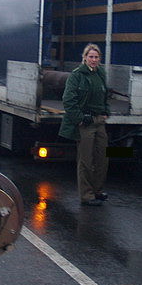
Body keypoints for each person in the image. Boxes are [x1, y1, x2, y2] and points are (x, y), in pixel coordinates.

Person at [59, 43, 110, 207]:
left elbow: (105, 95)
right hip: (86, 124)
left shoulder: (101, 74)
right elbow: (68, 99)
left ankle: (98, 190)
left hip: (99, 122)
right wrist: (80, 118)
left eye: (96, 57)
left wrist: (106, 111)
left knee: (103, 157)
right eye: (91, 57)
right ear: (85, 58)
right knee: (86, 160)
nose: (94, 60)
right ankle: (87, 195)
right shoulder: (77, 76)